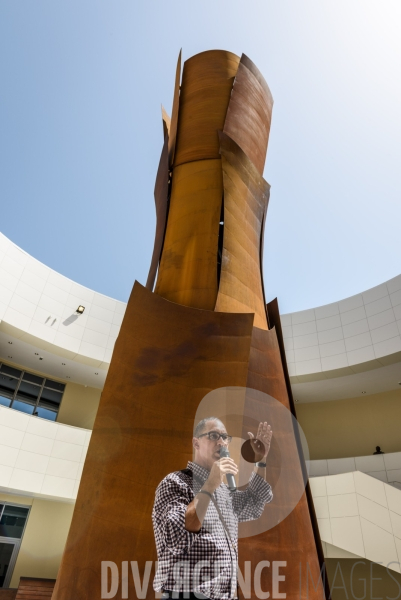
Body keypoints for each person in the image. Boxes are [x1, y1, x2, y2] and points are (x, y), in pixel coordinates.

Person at [152, 417, 273, 599]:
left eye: (225, 437)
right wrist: (210, 484)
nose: (221, 442)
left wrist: (260, 462)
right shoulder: (175, 482)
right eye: (213, 435)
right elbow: (176, 537)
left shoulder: (224, 491)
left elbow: (255, 503)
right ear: (196, 443)